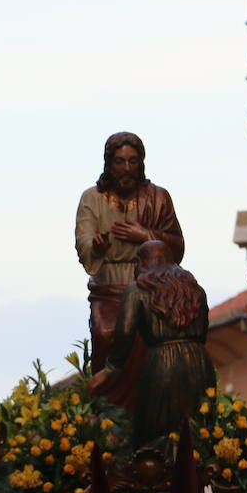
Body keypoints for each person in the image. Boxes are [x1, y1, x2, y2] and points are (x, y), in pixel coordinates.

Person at [74, 131, 185, 406]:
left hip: (151, 288)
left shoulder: (158, 198)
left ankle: (152, 409)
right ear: (108, 164)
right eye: (120, 161)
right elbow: (83, 239)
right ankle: (110, 415)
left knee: (155, 345)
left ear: (141, 163)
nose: (126, 168)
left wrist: (145, 235)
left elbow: (178, 247)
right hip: (109, 288)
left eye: (133, 161)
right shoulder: (92, 198)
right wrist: (97, 246)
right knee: (105, 335)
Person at [89, 239, 214, 449]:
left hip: (161, 366)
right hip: (199, 364)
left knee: (154, 438)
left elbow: (125, 333)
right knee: (200, 435)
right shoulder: (196, 290)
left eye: (137, 262)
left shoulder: (137, 290)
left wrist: (111, 369)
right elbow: (204, 330)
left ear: (144, 263)